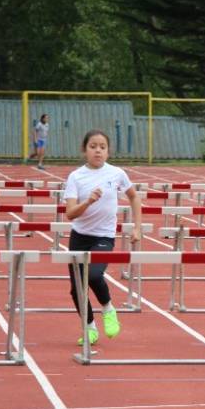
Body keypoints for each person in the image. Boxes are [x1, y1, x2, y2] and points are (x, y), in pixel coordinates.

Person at [64, 130, 142, 345]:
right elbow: (70, 213)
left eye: (102, 147)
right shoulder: (76, 177)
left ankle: (108, 309)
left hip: (104, 237)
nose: (98, 150)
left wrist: (137, 228)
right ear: (84, 150)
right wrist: (88, 201)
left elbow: (134, 198)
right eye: (93, 146)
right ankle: (89, 329)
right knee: (77, 289)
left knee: (94, 274)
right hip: (79, 236)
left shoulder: (117, 173)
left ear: (108, 151)